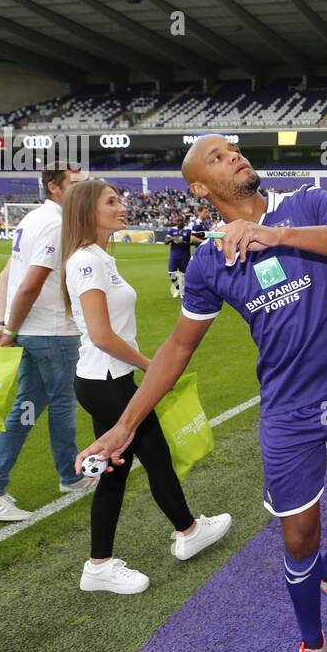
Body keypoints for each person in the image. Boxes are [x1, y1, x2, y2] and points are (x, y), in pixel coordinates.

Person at [75, 135, 327, 652]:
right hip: (288, 411)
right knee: (297, 534)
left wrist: (275, 235)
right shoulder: (206, 262)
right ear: (199, 187)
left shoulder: (309, 203)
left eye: (235, 150)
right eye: (219, 158)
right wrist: (124, 426)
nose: (237, 157)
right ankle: (310, 644)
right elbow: (176, 347)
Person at [61, 180, 231, 594]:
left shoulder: (100, 258)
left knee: (129, 466)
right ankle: (179, 534)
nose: (122, 206)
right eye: (111, 201)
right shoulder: (87, 261)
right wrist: (153, 367)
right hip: (107, 381)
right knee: (144, 460)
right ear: (87, 212)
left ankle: (170, 536)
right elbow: (101, 335)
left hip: (109, 380)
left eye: (120, 199)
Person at [0, 165, 96, 522]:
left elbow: (6, 276)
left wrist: (4, 324)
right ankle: (69, 477)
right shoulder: (57, 224)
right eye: (76, 184)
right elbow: (27, 284)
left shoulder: (32, 220)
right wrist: (7, 329)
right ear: (55, 188)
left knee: (24, 410)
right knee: (62, 405)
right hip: (50, 332)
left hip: (34, 331)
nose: (83, 190)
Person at [165, 215, 192, 298]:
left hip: (185, 255)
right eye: (178, 221)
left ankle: (183, 291)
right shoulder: (172, 230)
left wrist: (183, 242)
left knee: (184, 274)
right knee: (171, 272)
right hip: (174, 255)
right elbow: (166, 242)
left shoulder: (188, 230)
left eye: (181, 221)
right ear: (176, 222)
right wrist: (172, 238)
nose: (179, 222)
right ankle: (177, 288)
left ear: (184, 222)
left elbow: (193, 242)